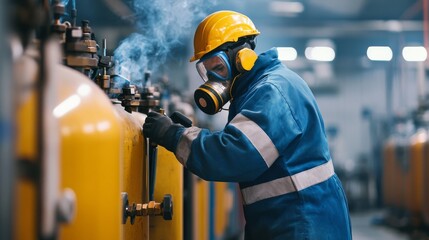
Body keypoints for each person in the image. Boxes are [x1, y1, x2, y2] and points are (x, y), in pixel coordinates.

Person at [143, 10, 352, 240]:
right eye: (207, 71)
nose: (214, 79)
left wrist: (174, 135)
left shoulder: (273, 91)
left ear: (243, 57)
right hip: (287, 220)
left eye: (219, 68)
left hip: (302, 222)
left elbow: (236, 154)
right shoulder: (257, 91)